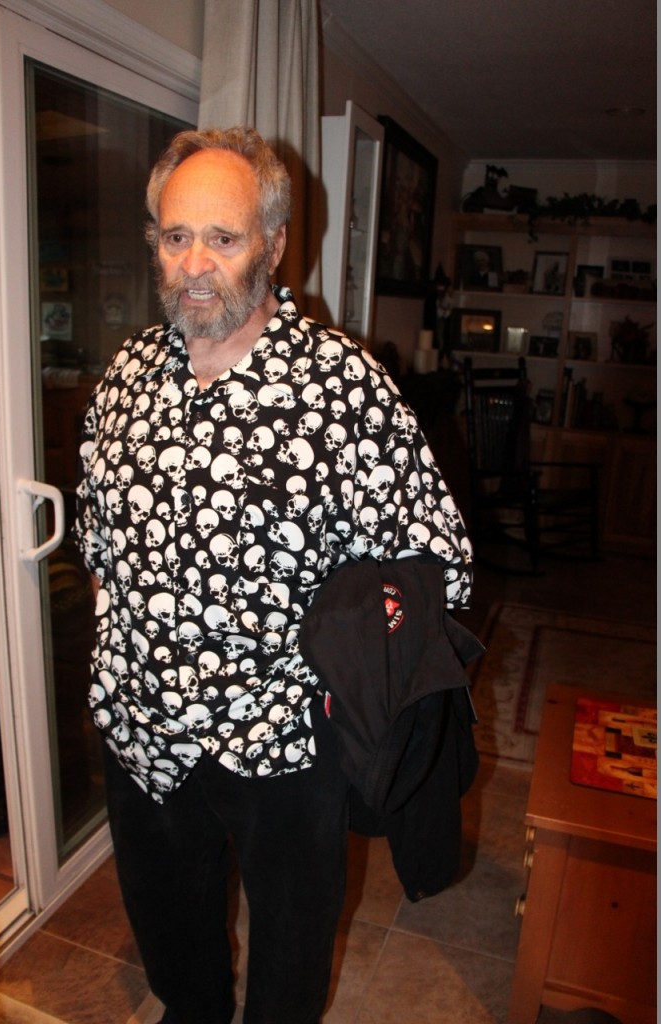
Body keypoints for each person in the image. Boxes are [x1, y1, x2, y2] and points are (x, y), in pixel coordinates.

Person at [73, 126, 472, 1024]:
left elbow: (436, 557)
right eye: (176, 237)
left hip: (283, 741)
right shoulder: (126, 376)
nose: (195, 265)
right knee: (173, 947)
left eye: (223, 237)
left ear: (276, 243)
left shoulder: (344, 386)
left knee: (289, 961)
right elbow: (97, 534)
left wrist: (350, 678)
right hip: (143, 734)